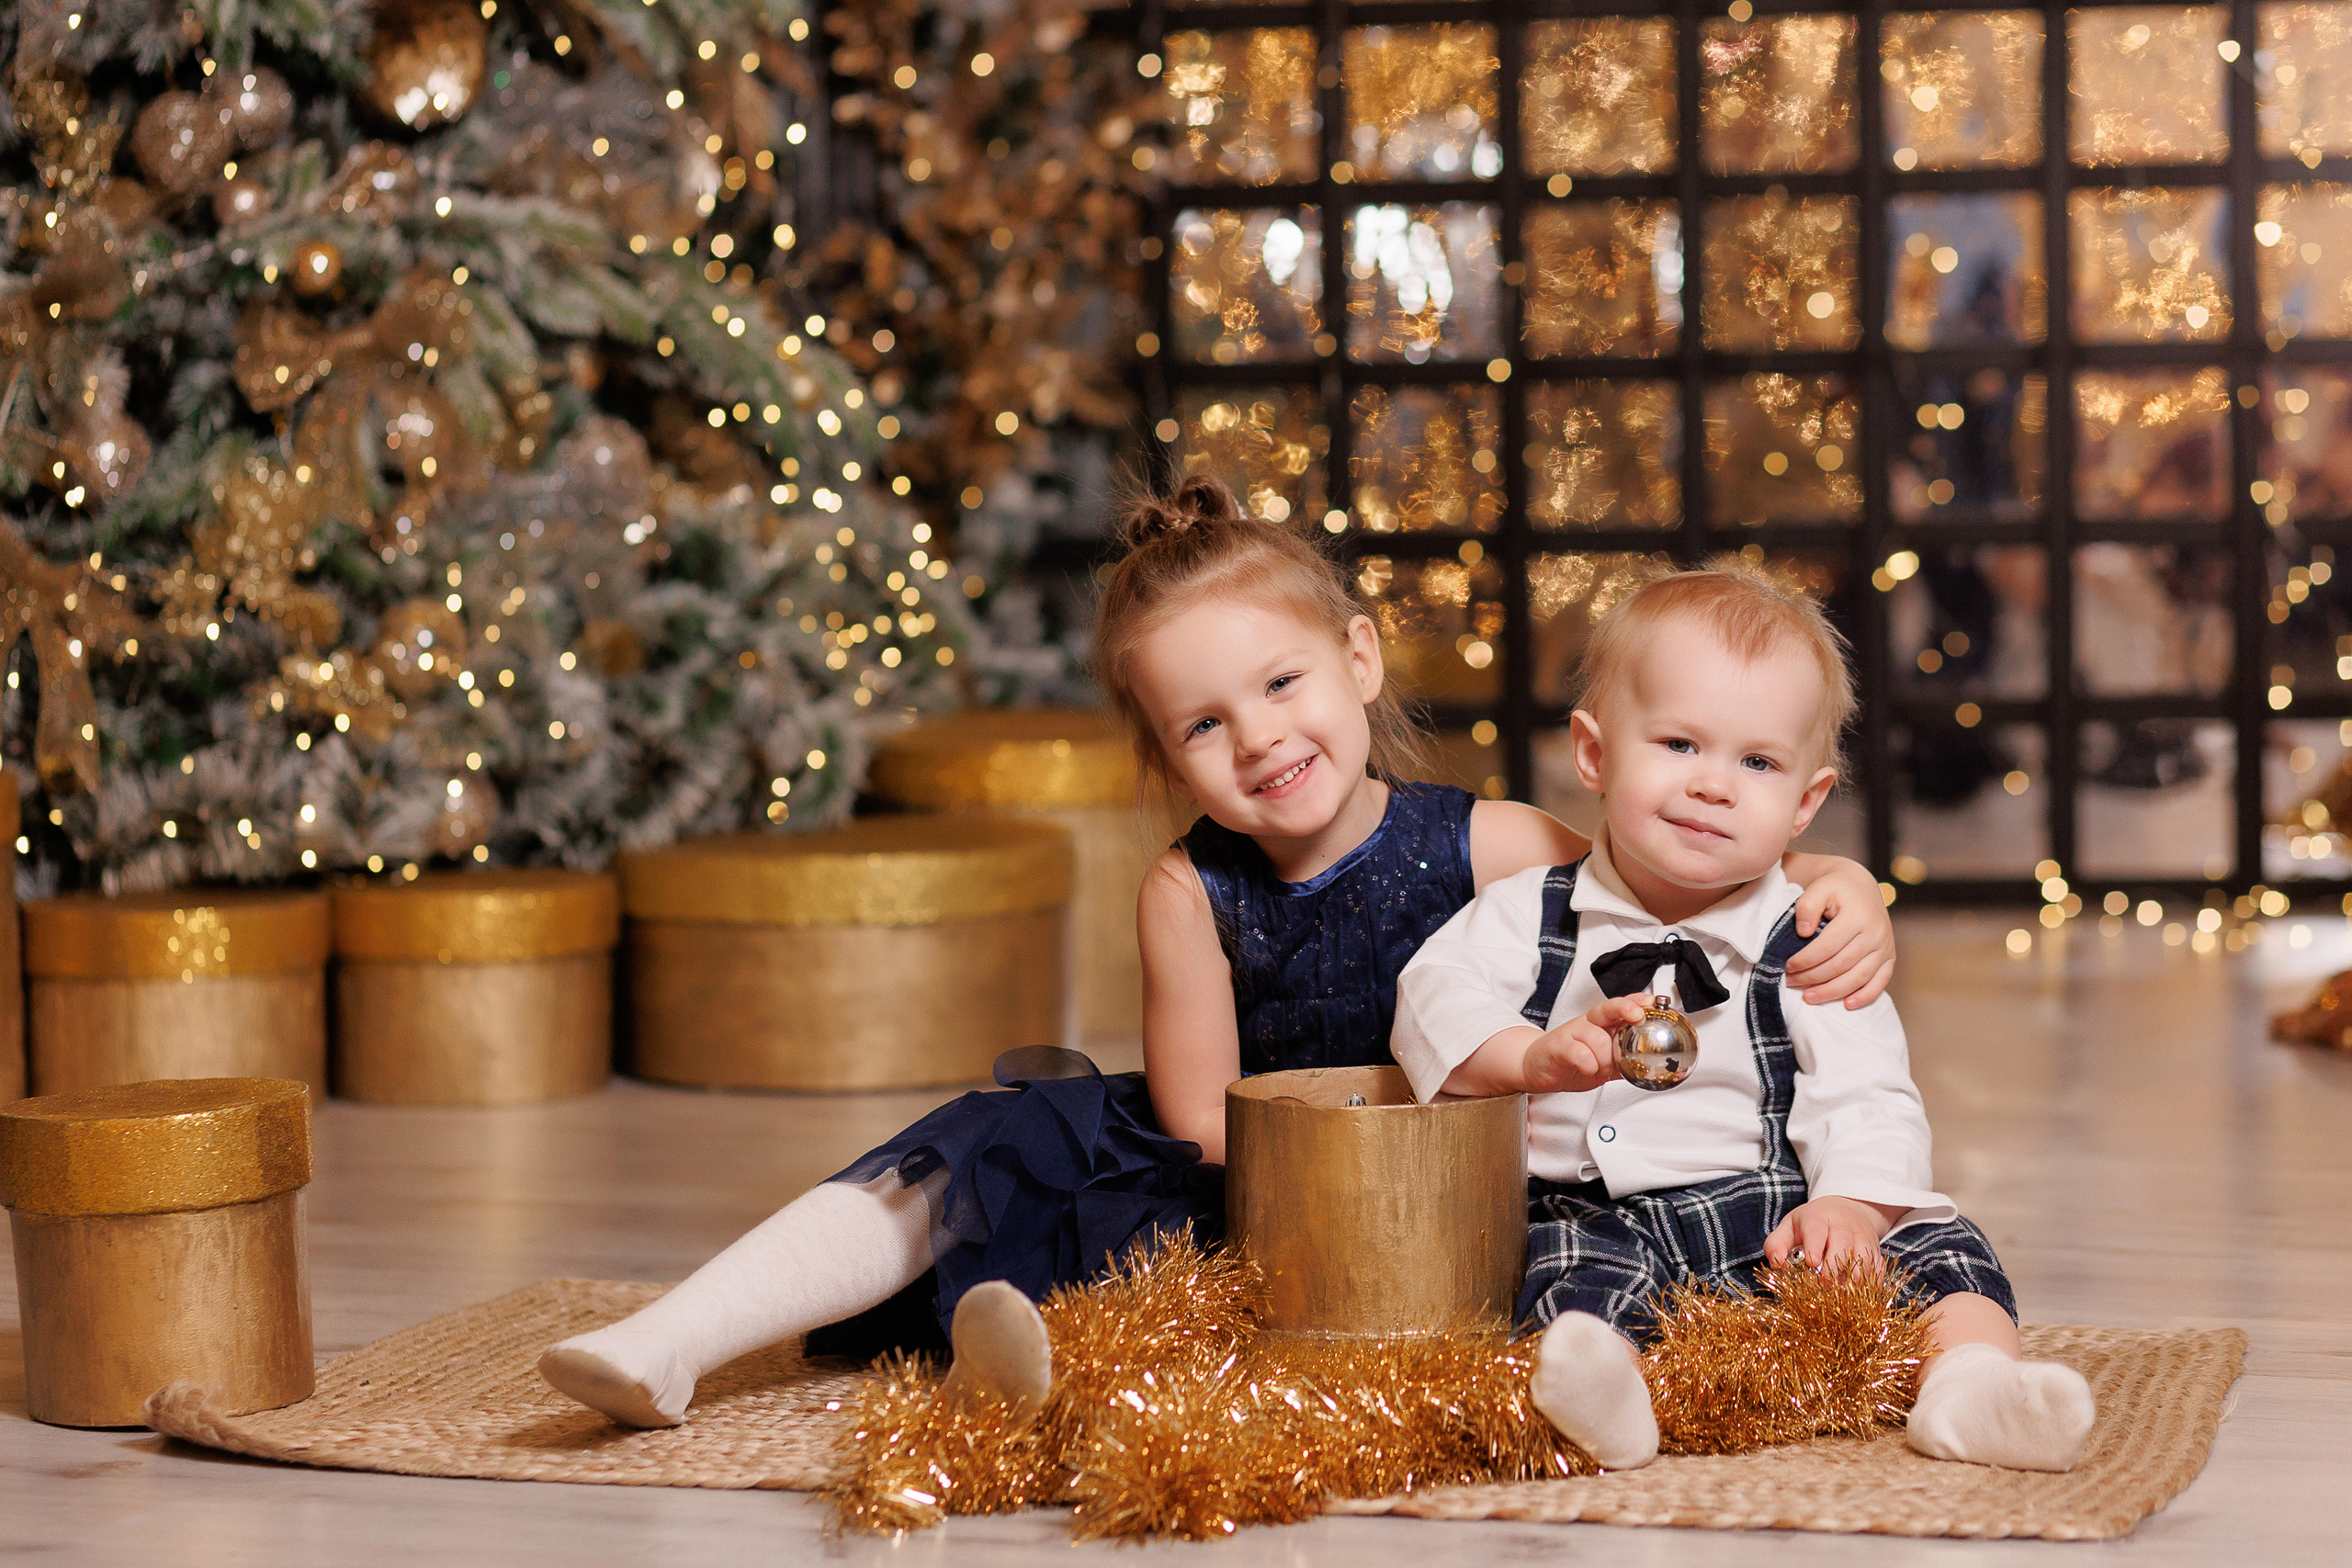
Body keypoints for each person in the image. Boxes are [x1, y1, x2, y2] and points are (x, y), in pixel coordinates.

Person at [538, 480, 1898, 1428]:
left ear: (1360, 661)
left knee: (1287, 1318)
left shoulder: (1493, 841)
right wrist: (1364, 1122)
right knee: (994, 1147)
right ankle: (675, 1338)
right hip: (1253, 1165)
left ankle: (1029, 1367)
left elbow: (1674, 891)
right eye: (1203, 723)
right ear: (1166, 752)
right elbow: (1199, 1117)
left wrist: (1841, 881)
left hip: (1443, 1190)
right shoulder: (1189, 887)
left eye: (1284, 683)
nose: (1258, 737)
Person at [1393, 560, 2095, 1473]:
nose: (1714, 785)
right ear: (1595, 754)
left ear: (1804, 803)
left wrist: (1848, 1201)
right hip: (1597, 1209)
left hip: (1776, 1218)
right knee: (1567, 1276)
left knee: (1936, 1240)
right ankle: (1607, 1398)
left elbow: (1868, 1089)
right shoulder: (1527, 910)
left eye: (1756, 762)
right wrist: (1526, 1056)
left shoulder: (1806, 933)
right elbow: (1430, 993)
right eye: (1679, 745)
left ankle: (1969, 1387)